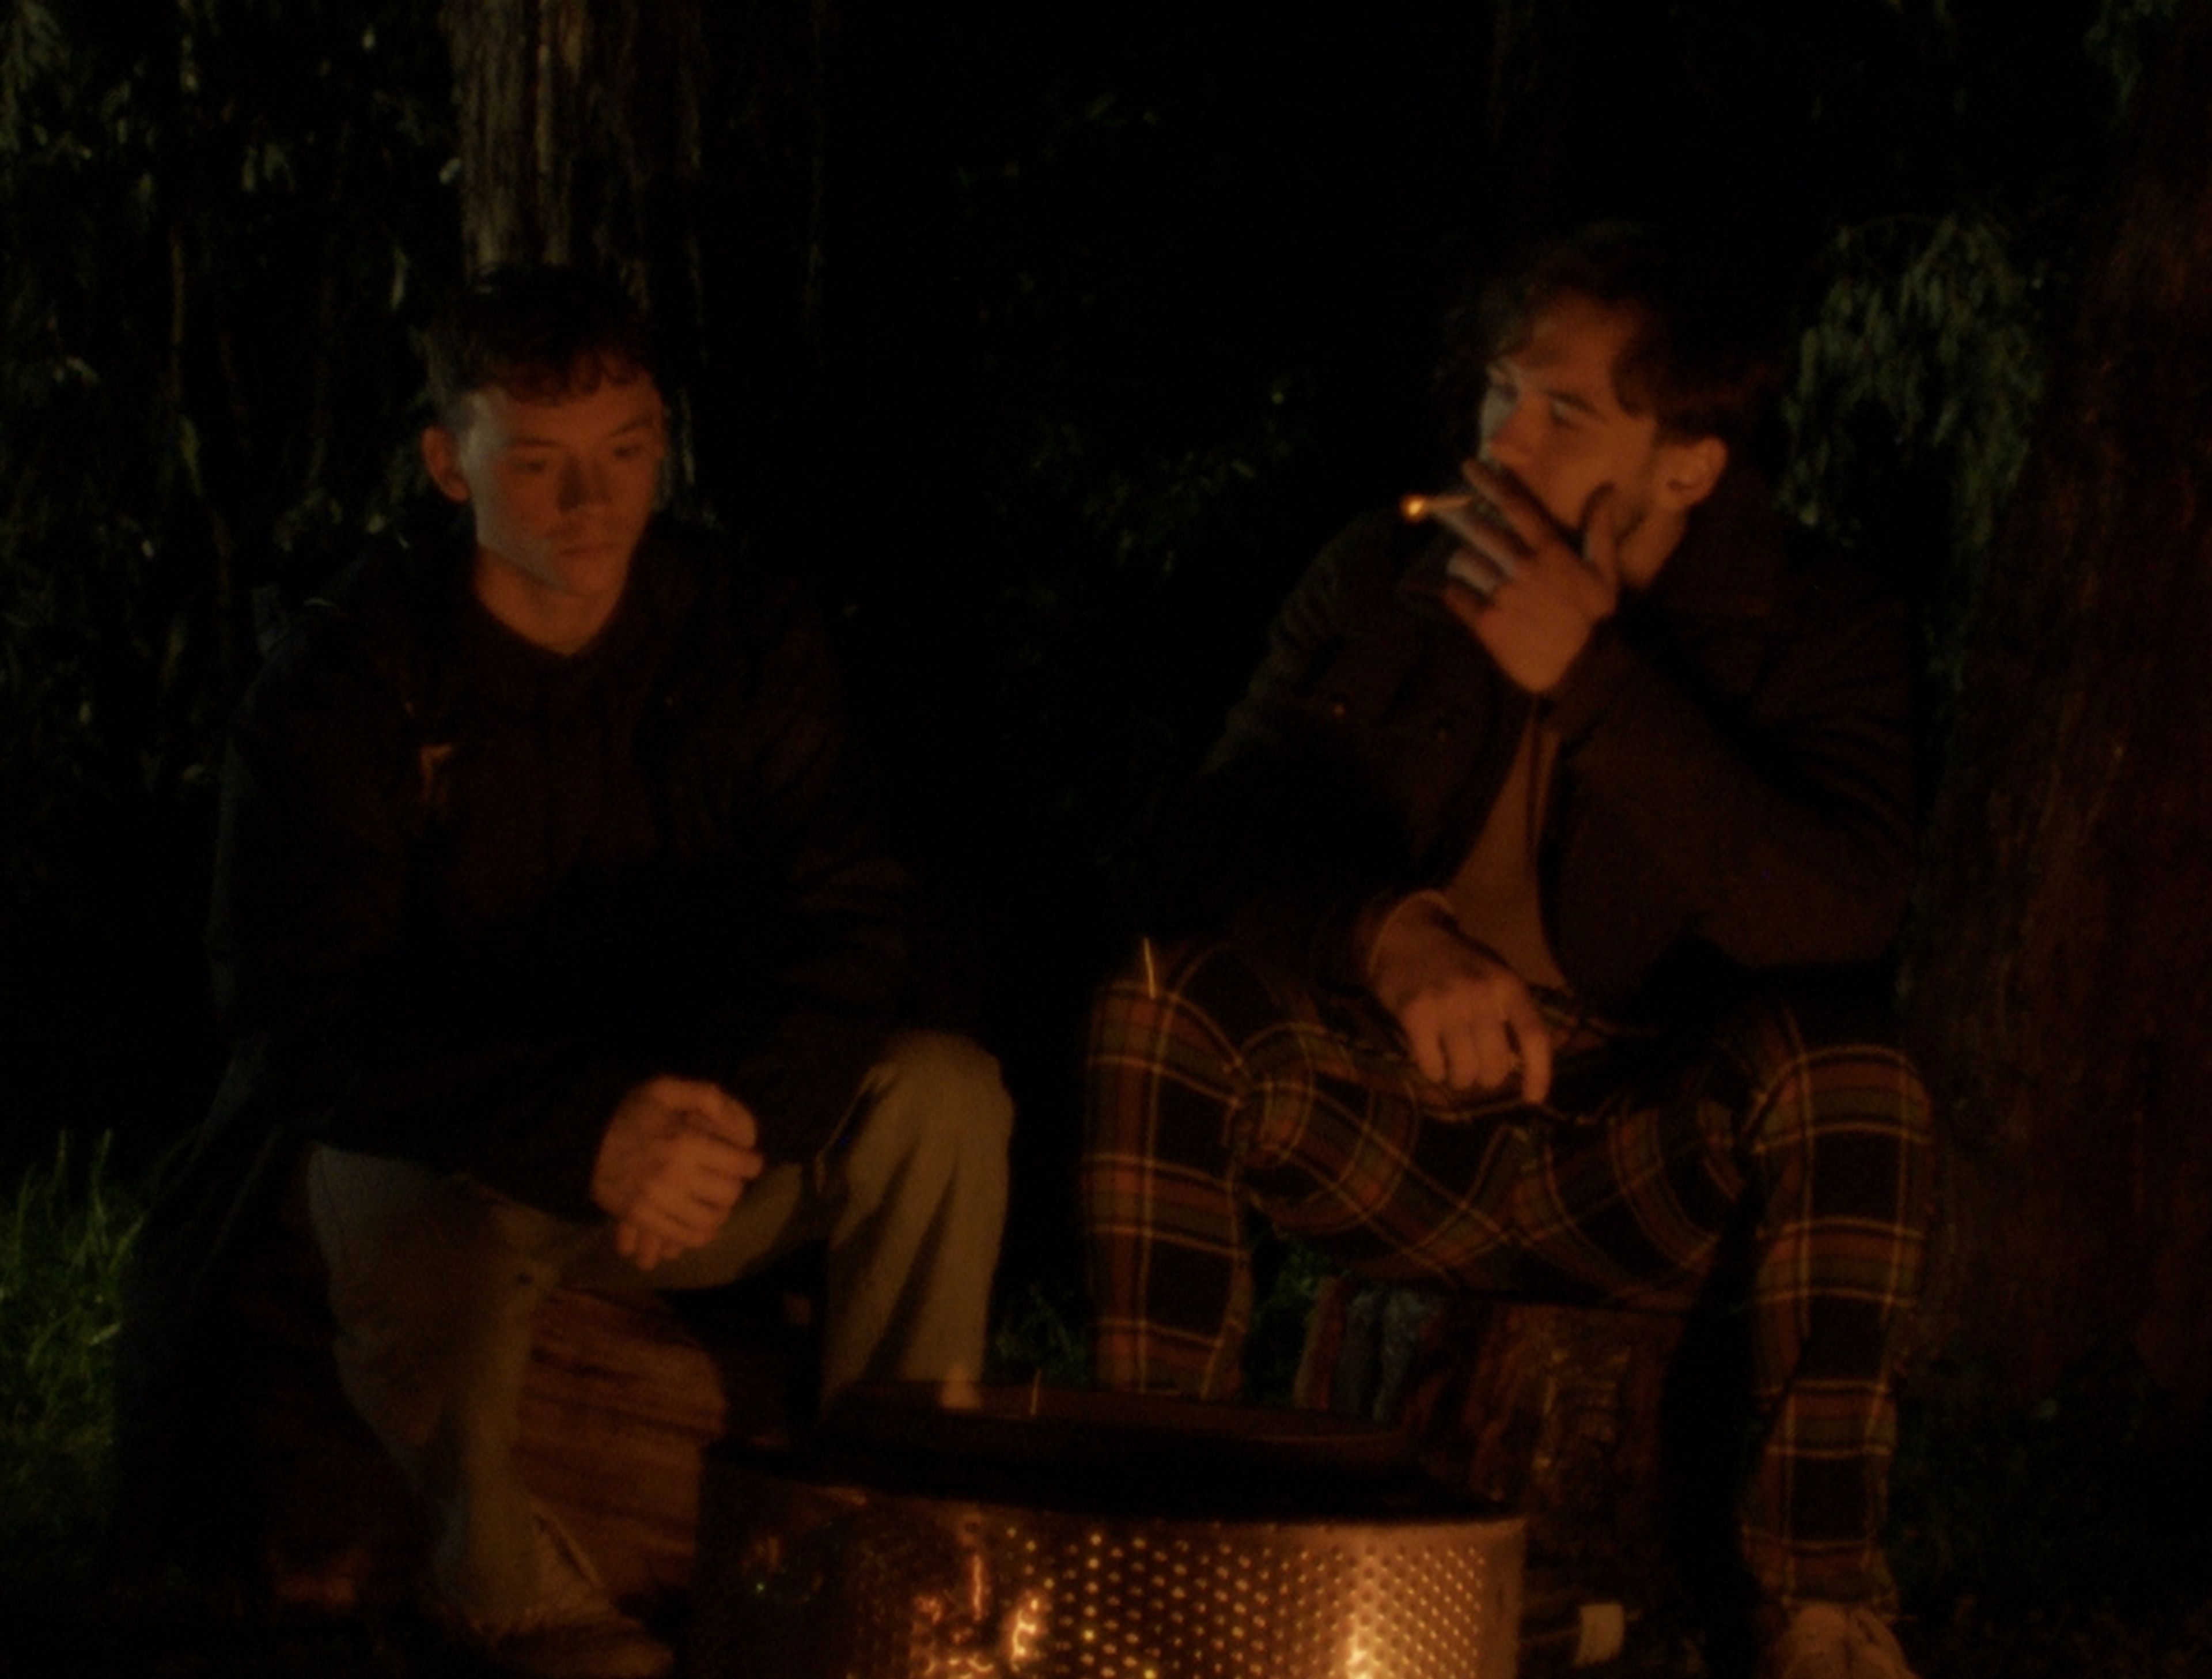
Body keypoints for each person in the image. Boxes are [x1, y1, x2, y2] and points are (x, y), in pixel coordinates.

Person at [1081, 225, 1932, 1679]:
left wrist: (1595, 677)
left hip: (1641, 1149)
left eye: (1563, 411)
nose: (1504, 439)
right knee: (1160, 1001)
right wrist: (1386, 933)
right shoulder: (1382, 577)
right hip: (1400, 1112)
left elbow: (1843, 914)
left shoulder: (1819, 623)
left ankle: (1824, 1607)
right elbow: (1200, 846)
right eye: (1497, 395)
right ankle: (1167, 1550)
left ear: (1688, 463)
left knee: (1857, 1077)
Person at [190, 265, 1012, 1678]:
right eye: (544, 465)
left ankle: (897, 1528)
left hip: (707, 1147)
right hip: (481, 1160)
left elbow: (854, 906)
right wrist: (587, 1126)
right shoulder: (349, 677)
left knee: (946, 1096)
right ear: (451, 463)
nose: (594, 505)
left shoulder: (742, 634)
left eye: (627, 455)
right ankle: (496, 1573)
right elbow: (302, 1017)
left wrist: (738, 1113)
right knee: (373, 1183)